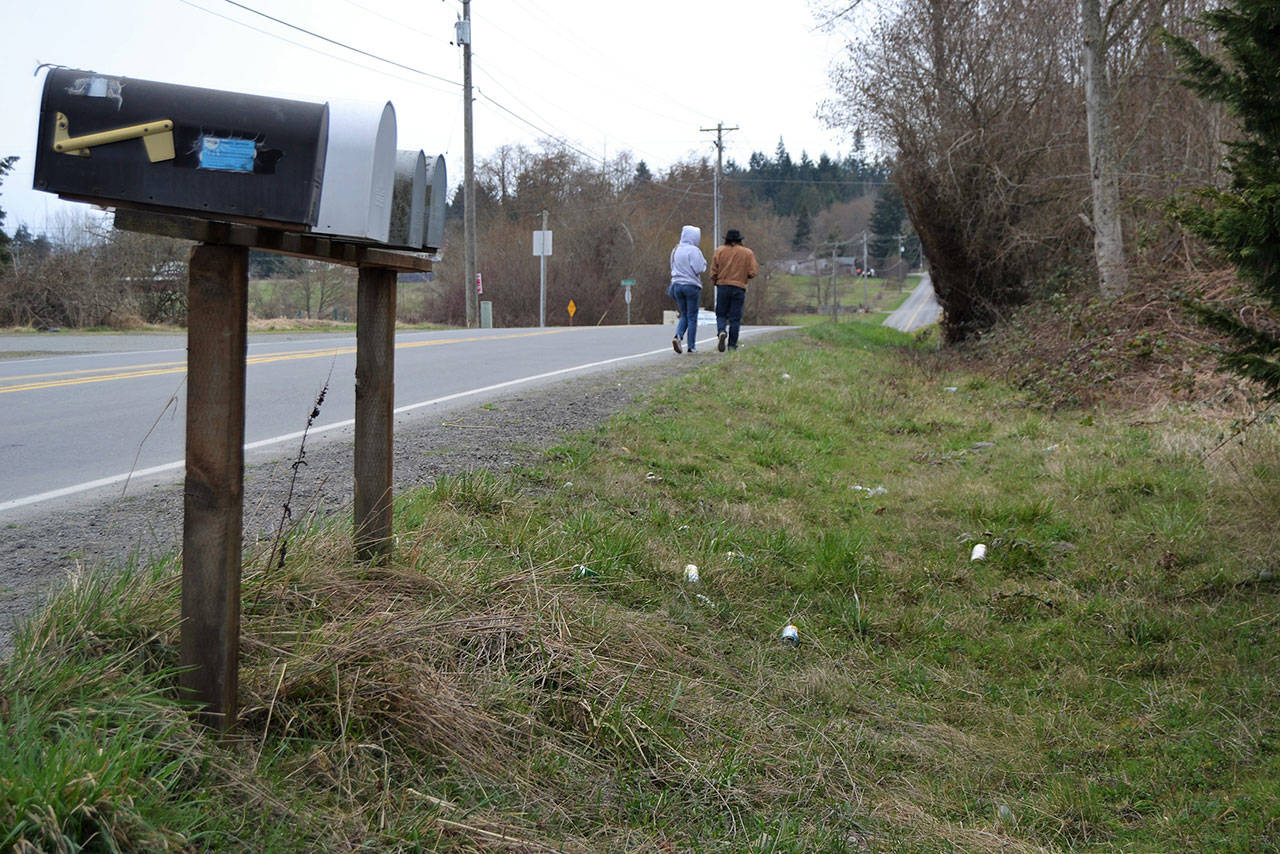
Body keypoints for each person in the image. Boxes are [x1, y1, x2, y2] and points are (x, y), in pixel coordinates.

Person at [709, 228, 759, 351]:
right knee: (735, 318)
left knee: (721, 314)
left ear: (726, 239)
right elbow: (753, 272)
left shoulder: (719, 251)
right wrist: (743, 276)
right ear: (739, 240)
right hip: (739, 287)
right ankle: (732, 345)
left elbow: (713, 271)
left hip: (723, 286)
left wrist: (716, 280)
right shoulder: (748, 253)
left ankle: (721, 331)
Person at [668, 224, 707, 353]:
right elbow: (699, 268)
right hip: (691, 286)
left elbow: (672, 266)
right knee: (692, 316)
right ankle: (691, 346)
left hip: (677, 285)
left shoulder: (676, 249)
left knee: (684, 314)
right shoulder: (694, 250)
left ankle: (678, 336)